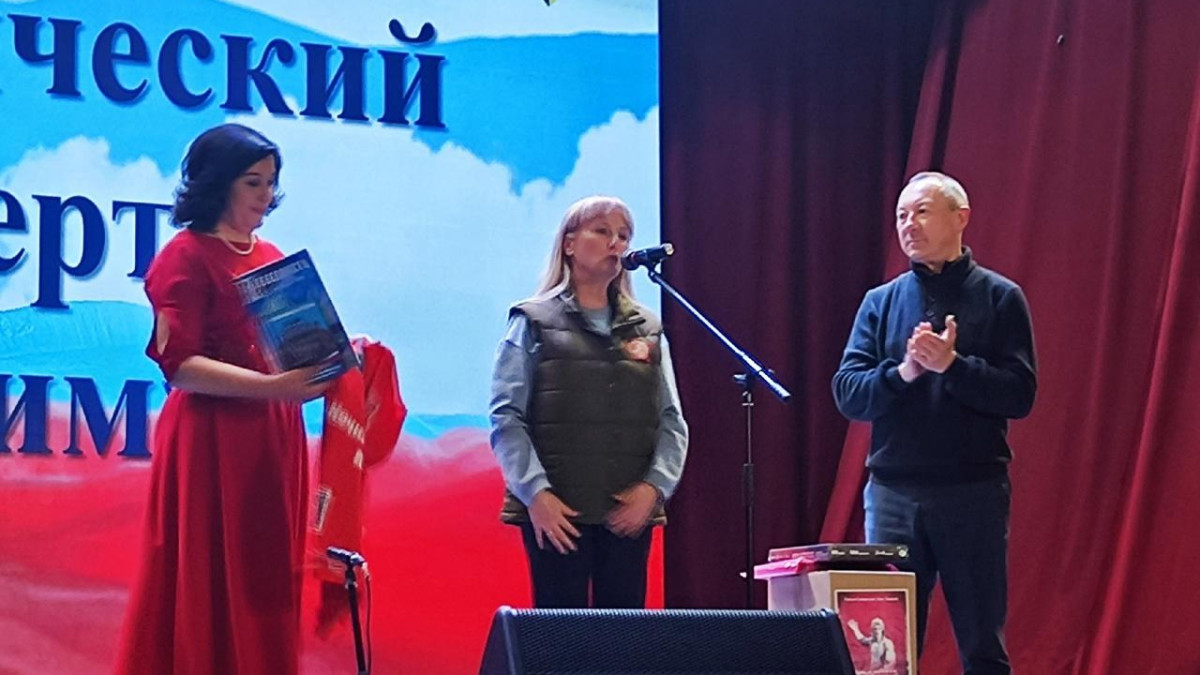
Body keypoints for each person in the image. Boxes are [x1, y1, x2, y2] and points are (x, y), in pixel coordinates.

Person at [114, 124, 331, 674]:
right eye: (253, 182)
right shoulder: (184, 257)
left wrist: (337, 357)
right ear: (219, 184)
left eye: (271, 182)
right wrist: (273, 388)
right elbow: (180, 367)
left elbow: (291, 348)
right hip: (212, 438)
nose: (266, 195)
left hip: (273, 436)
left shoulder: (274, 257)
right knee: (208, 571)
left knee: (266, 573)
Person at [832, 172, 1036, 675]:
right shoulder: (880, 302)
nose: (909, 225)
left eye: (922, 212)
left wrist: (953, 366)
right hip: (893, 495)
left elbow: (1019, 394)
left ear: (960, 218)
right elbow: (849, 393)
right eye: (901, 215)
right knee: (888, 651)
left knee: (983, 645)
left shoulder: (1001, 297)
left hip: (973, 493)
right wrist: (904, 372)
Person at [489, 195, 688, 609]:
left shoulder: (647, 328)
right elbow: (507, 416)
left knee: (623, 636)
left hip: (628, 512)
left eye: (624, 235)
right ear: (569, 244)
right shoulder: (532, 320)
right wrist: (536, 495)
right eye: (602, 231)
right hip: (557, 513)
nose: (616, 243)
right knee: (562, 636)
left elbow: (671, 420)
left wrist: (653, 489)